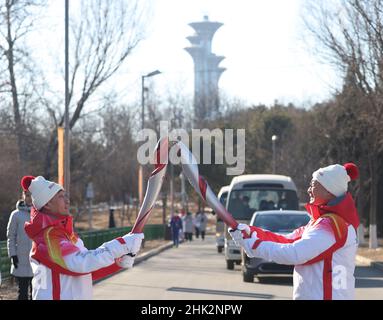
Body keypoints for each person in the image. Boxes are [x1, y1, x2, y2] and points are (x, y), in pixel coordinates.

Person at [230, 163, 359, 300]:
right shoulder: (322, 222)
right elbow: (287, 240)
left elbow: (295, 253)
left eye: (313, 185)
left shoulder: (333, 225)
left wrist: (255, 245)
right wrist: (252, 233)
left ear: (329, 190)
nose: (309, 190)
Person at [20, 175, 144, 300]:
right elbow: (80, 263)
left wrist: (117, 263)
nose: (67, 200)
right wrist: (121, 244)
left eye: (65, 196)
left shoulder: (68, 236)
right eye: (61, 197)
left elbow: (85, 271)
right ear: (47, 205)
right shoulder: (48, 239)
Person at [6, 191, 33, 300]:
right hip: (20, 260)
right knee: (22, 293)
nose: (29, 198)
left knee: (36, 294)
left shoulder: (40, 214)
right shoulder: (15, 215)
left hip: (36, 260)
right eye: (27, 195)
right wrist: (13, 255)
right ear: (23, 196)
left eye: (31, 195)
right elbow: (10, 236)